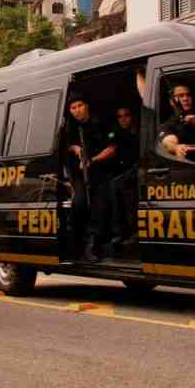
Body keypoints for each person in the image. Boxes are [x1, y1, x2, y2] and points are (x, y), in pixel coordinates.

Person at [64, 92, 116, 262]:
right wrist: (75, 149)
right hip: (79, 175)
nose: (76, 110)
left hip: (100, 172)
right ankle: (76, 245)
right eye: (73, 108)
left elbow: (112, 148)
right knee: (79, 204)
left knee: (100, 206)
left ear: (86, 106)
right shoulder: (69, 126)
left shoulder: (101, 122)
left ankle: (95, 246)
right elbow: (64, 146)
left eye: (79, 106)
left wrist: (92, 160)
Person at [107, 106, 139, 257]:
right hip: (122, 172)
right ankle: (120, 234)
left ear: (132, 117)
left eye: (126, 115)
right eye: (119, 116)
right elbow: (112, 149)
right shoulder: (116, 133)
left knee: (119, 186)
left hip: (138, 170)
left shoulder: (140, 132)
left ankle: (128, 233)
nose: (123, 119)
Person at [159, 83, 195, 159]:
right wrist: (176, 148)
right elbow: (168, 141)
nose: (185, 99)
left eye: (188, 95)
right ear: (172, 102)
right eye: (181, 96)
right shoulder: (169, 124)